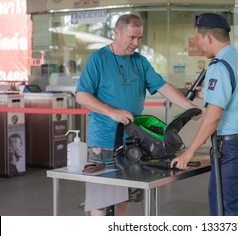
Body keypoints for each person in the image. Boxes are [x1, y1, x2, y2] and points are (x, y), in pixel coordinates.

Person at [75, 13, 199, 216]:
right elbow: (81, 96)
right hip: (104, 142)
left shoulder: (140, 62)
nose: (136, 43)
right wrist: (111, 112)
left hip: (132, 143)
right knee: (101, 201)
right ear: (117, 32)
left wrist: (189, 107)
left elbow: (163, 87)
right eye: (132, 38)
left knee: (125, 196)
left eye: (139, 38)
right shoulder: (98, 59)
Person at [171, 13, 238, 216]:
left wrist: (189, 152)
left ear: (209, 38)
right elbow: (235, 95)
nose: (198, 43)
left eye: (198, 39)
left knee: (225, 213)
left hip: (232, 150)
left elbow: (213, 116)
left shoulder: (219, 65)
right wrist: (204, 92)